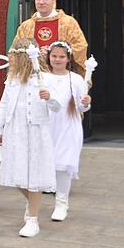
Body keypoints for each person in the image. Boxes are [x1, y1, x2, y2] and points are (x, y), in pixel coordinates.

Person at [0, 38, 60, 238]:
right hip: (16, 131)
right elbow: (5, 104)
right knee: (16, 174)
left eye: (12, 57)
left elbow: (57, 107)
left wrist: (49, 97)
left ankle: (33, 219)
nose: (10, 60)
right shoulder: (12, 80)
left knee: (35, 175)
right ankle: (32, 201)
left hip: (36, 131)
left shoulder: (45, 78)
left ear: (22, 57)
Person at [44, 41, 91, 221]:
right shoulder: (43, 78)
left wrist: (85, 103)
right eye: (54, 56)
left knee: (63, 164)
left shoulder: (76, 79)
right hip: (48, 125)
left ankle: (61, 202)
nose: (57, 59)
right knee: (49, 164)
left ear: (68, 58)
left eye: (61, 56)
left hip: (68, 125)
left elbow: (81, 107)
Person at [14, 0, 88, 73]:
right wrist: (35, 54)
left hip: (60, 76)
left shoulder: (68, 23)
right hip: (33, 75)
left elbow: (80, 47)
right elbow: (16, 51)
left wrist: (53, 53)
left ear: (54, 0)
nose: (41, 2)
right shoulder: (26, 26)